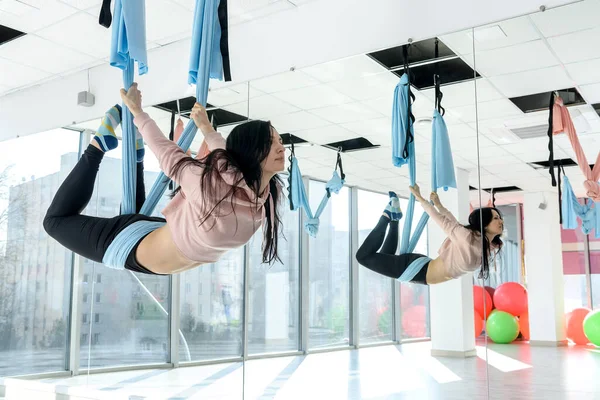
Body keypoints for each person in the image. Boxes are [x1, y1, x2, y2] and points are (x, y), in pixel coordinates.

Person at [43, 83, 286, 275]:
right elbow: (168, 153)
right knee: (54, 222)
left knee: (131, 213)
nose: (280, 148)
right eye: (271, 143)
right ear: (250, 152)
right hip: (134, 245)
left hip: (152, 241)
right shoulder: (209, 188)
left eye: (279, 141)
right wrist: (137, 112)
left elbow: (228, 160)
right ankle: (97, 146)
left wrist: (207, 130)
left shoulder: (262, 195)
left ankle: (135, 155)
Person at [356, 185, 503, 285]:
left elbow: (453, 225)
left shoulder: (484, 244)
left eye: (498, 217)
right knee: (362, 257)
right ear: (485, 223)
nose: (501, 221)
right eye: (496, 218)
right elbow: (443, 221)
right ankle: (388, 217)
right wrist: (422, 198)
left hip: (420, 269)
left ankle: (393, 218)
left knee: (384, 256)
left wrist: (438, 205)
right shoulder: (468, 238)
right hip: (418, 271)